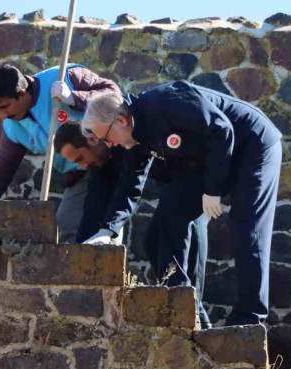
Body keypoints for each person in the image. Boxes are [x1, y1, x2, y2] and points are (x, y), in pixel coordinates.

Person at [81, 81, 282, 326]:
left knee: (246, 228)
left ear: (120, 121)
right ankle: (186, 309)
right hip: (209, 159)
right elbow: (129, 186)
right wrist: (108, 230)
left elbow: (221, 129)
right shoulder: (134, 138)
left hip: (251, 144)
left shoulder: (166, 103)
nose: (109, 145)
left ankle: (249, 318)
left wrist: (212, 190)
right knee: (165, 222)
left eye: (106, 137)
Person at [53, 122, 212, 328]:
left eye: (81, 158)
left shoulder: (127, 141)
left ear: (93, 140)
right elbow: (94, 208)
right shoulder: (102, 164)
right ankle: (196, 323)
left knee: (179, 259)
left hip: (192, 179)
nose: (83, 166)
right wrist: (84, 254)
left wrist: (109, 229)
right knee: (154, 245)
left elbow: (128, 190)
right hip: (172, 187)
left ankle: (199, 327)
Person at [0, 62, 120, 244]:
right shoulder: (12, 128)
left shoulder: (64, 77)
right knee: (65, 229)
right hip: (79, 175)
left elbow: (114, 95)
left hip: (107, 159)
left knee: (107, 227)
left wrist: (74, 98)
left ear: (22, 94)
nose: (2, 116)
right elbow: (2, 172)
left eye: (5, 107)